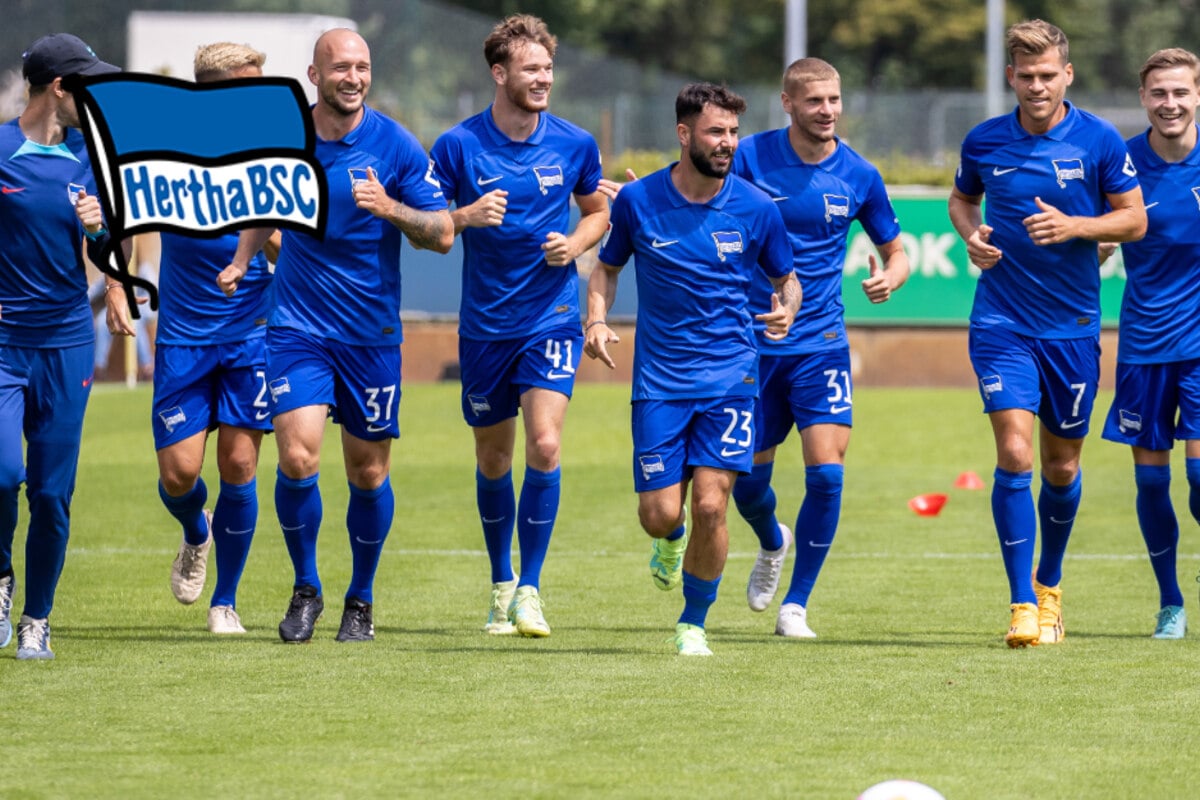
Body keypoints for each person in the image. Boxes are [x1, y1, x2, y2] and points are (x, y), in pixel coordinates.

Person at [217, 29, 453, 643]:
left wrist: (391, 209)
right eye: (341, 67)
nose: (353, 77)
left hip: (371, 334)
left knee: (368, 474)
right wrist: (244, 261)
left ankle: (362, 598)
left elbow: (443, 233)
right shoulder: (288, 138)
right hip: (296, 327)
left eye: (363, 67)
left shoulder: (397, 145)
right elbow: (268, 208)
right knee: (297, 456)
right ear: (315, 75)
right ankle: (306, 587)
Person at [947, 19, 1146, 648]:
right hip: (1001, 322)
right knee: (1015, 453)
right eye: (1025, 76)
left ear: (1067, 75)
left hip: (1074, 328)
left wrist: (1078, 228)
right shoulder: (984, 141)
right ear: (1011, 77)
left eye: (1047, 75)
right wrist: (970, 234)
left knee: (1061, 466)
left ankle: (1050, 585)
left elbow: (1134, 220)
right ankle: (1020, 604)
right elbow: (961, 200)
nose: (1036, 86)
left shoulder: (1099, 140)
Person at [585, 83, 801, 656]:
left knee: (711, 503)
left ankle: (693, 623)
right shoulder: (638, 202)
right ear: (684, 135)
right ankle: (669, 540)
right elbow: (606, 270)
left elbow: (787, 279)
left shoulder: (756, 207)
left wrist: (787, 310)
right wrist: (595, 321)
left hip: (732, 378)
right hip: (659, 384)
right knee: (660, 515)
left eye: (732, 132)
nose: (727, 142)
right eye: (715, 132)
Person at [77, 43, 281, 635]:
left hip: (252, 331)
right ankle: (197, 531)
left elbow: (289, 246)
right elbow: (125, 221)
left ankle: (227, 601)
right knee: (179, 474)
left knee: (240, 462)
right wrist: (116, 282)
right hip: (185, 335)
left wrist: (262, 241)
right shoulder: (165, 151)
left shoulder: (272, 152)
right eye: (249, 84)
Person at [429, 14, 609, 637]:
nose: (543, 79)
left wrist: (576, 245)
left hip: (551, 317)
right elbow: (432, 231)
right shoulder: (457, 145)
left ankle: (530, 588)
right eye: (531, 68)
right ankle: (500, 582)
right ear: (499, 73)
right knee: (492, 458)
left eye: (548, 69)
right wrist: (464, 215)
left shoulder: (574, 143)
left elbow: (597, 212)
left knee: (547, 444)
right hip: (484, 327)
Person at [729, 57, 910, 638]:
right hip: (750, 346)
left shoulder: (858, 174)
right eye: (814, 101)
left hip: (821, 345)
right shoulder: (749, 156)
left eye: (833, 99)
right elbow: (692, 191)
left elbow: (897, 249)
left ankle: (796, 605)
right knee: (749, 485)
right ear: (787, 103)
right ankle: (771, 540)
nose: (827, 110)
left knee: (827, 476)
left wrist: (892, 276)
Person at [0, 33, 119, 660]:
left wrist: (100, 234)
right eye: (86, 84)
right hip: (2, 344)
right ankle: (0, 576)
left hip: (69, 341)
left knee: (50, 491)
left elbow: (107, 256)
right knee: (2, 473)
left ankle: (36, 619)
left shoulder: (87, 161)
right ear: (59, 89)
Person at [1100, 48, 1200, 640]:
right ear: (1144, 99)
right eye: (1159, 93)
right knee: (1151, 483)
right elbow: (1093, 238)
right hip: (1143, 344)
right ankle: (1171, 603)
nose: (1171, 103)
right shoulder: (1122, 164)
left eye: (1181, 92)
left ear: (1198, 95)